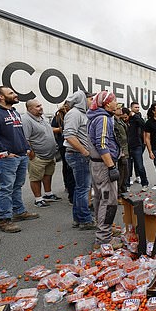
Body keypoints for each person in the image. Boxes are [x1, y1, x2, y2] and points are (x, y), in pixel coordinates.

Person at [0, 86, 39, 233]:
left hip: (21, 155)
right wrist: (5, 152)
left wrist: (26, 148)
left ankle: (19, 211)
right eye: (11, 93)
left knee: (17, 185)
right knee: (6, 188)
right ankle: (5, 220)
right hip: (8, 158)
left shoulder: (14, 112)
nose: (15, 95)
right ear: (1, 97)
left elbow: (19, 133)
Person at [87, 91, 121, 249]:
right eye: (114, 100)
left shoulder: (95, 115)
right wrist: (111, 166)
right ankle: (104, 239)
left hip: (96, 164)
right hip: (103, 165)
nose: (117, 103)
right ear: (107, 104)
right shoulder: (103, 118)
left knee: (100, 198)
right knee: (109, 201)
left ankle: (103, 228)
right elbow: (102, 144)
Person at [63, 90, 95, 230]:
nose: (92, 101)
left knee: (80, 188)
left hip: (79, 155)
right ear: (82, 99)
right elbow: (69, 135)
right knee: (83, 189)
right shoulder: (74, 114)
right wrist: (85, 152)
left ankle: (78, 218)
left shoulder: (81, 113)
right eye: (90, 99)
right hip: (78, 155)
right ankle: (85, 220)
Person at [22, 99, 60, 208]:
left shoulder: (41, 117)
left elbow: (46, 130)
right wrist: (32, 155)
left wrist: (59, 129)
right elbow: (25, 139)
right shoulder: (26, 120)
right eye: (38, 106)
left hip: (49, 155)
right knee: (36, 178)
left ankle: (48, 194)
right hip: (38, 156)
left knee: (48, 175)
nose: (41, 108)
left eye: (41, 105)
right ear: (30, 109)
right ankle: (38, 199)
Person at [51, 102, 75, 204]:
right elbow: (52, 129)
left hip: (74, 145)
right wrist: (61, 129)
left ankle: (73, 188)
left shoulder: (75, 114)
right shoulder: (58, 117)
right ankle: (68, 186)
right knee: (67, 167)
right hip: (64, 145)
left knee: (72, 169)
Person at [128, 101, 148, 188]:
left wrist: (134, 115)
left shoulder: (138, 117)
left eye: (138, 107)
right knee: (128, 165)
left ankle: (144, 183)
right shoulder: (127, 117)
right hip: (128, 146)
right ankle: (127, 183)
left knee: (139, 165)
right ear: (131, 108)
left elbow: (144, 125)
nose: (137, 109)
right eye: (135, 107)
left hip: (138, 145)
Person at [113, 106, 130, 198]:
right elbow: (117, 138)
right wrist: (121, 151)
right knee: (121, 172)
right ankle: (118, 194)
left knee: (125, 172)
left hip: (125, 150)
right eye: (118, 108)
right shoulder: (113, 122)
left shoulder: (121, 121)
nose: (121, 110)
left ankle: (123, 190)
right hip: (120, 151)